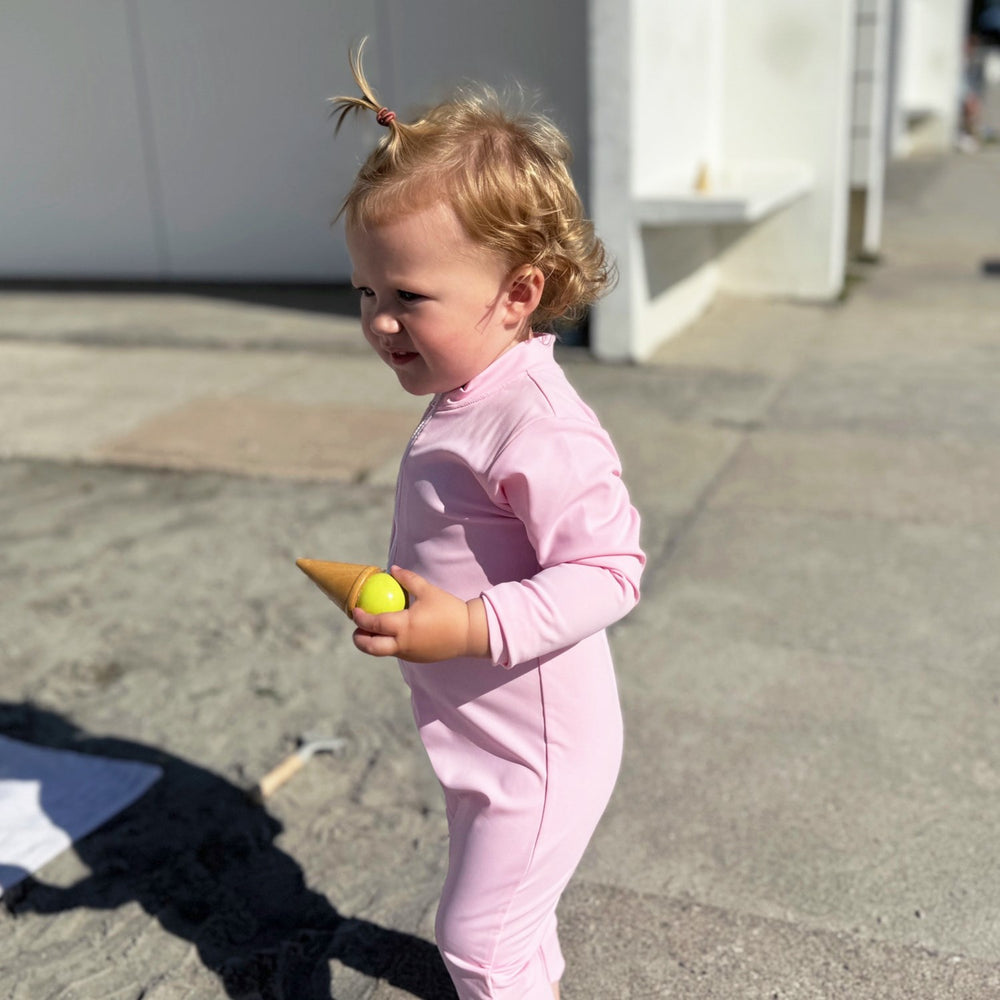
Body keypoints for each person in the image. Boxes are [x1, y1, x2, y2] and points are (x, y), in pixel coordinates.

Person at [330, 40, 645, 1000]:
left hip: (538, 752)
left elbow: (611, 570)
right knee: (512, 925)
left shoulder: (537, 422)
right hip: (484, 734)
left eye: (409, 297)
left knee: (477, 940)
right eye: (366, 292)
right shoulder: (474, 392)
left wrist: (468, 626)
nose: (380, 321)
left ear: (519, 294)